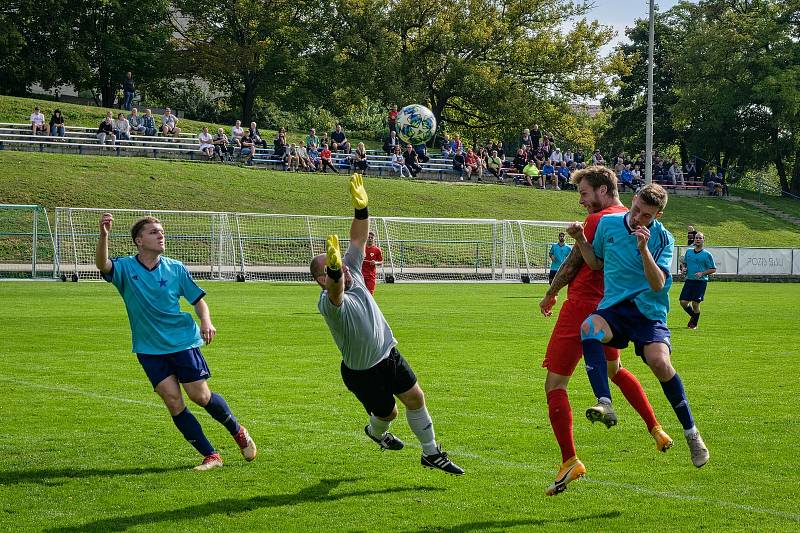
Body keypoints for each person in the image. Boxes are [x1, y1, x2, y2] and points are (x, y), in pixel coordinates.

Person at [310, 174, 464, 475]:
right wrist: (334, 271)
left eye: (340, 263)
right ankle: (376, 433)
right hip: (361, 373)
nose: (343, 266)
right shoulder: (329, 302)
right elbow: (337, 290)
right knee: (388, 414)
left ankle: (431, 453)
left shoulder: (352, 267)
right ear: (321, 279)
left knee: (416, 397)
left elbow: (358, 239)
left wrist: (361, 209)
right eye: (333, 267)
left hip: (387, 353)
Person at [539, 168, 670, 496]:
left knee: (555, 384)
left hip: (582, 308)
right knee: (615, 370)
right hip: (612, 312)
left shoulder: (601, 221)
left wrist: (551, 293)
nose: (582, 201)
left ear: (602, 190)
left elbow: (573, 263)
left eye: (584, 193)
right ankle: (655, 427)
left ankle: (570, 460)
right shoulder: (631, 219)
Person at [94, 213, 257, 471]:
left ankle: (237, 430)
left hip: (182, 342)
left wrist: (206, 321)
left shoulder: (175, 268)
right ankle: (211, 455)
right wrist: (104, 236)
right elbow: (103, 265)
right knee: (172, 401)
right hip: (148, 349)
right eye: (154, 232)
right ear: (138, 240)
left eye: (162, 232)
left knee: (200, 397)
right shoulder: (125, 268)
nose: (161, 235)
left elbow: (198, 299)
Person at [567, 183, 710, 471]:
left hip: (648, 312)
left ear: (658, 214)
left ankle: (691, 433)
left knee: (659, 362)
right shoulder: (608, 224)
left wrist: (643, 249)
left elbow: (658, 284)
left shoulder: (663, 239)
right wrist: (581, 238)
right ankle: (605, 402)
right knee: (589, 328)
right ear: (632, 201)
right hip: (615, 309)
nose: (638, 218)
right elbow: (595, 264)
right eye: (636, 211)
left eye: (646, 216)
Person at [679, 232, 716, 329]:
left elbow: (713, 269)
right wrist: (683, 269)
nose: (698, 239)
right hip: (689, 280)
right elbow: (684, 264)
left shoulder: (707, 254)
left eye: (700, 238)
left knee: (695, 303)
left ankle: (693, 324)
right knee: (683, 302)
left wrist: (702, 273)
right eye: (696, 238)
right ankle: (694, 316)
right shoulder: (689, 252)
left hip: (700, 282)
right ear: (694, 240)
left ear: (703, 240)